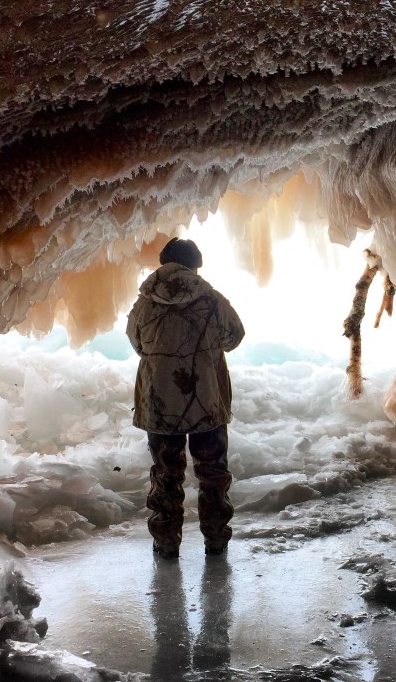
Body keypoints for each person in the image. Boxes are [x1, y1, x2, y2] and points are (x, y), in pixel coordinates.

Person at [126, 237, 245, 559]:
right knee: (213, 472)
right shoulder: (212, 300)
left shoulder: (144, 304)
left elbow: (138, 344)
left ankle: (166, 544)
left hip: (159, 402)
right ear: (196, 265)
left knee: (166, 474)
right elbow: (234, 337)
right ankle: (216, 541)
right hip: (206, 399)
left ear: (163, 263)